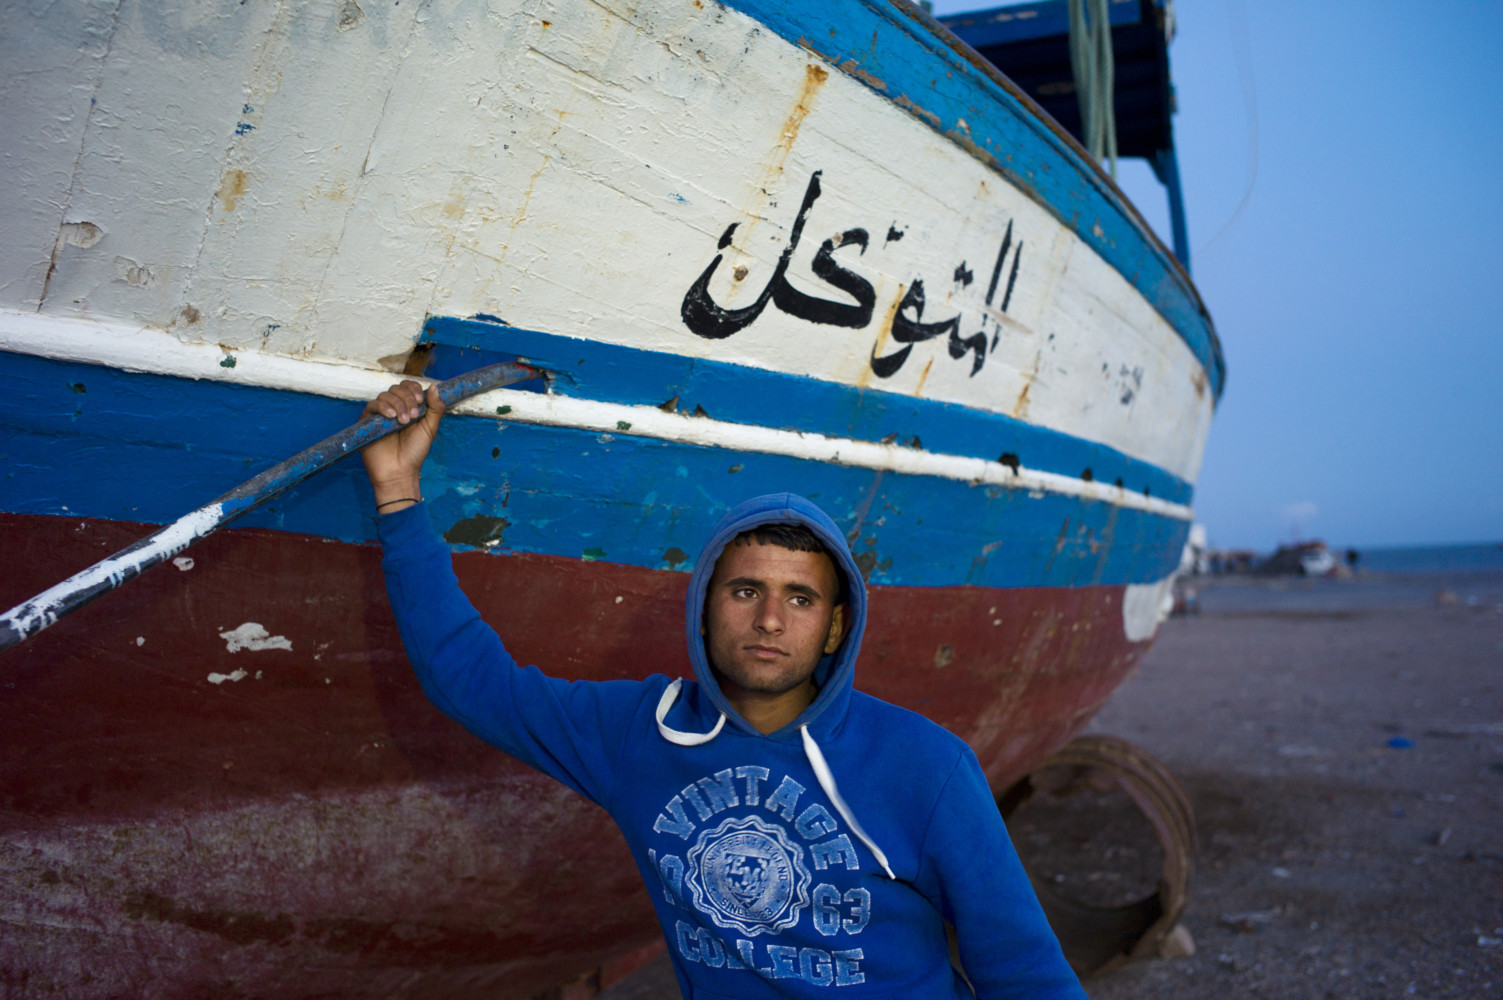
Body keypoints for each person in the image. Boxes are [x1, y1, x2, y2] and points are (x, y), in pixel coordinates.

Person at [362, 380, 1086, 999]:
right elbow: (471, 681)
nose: (770, 619)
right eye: (745, 591)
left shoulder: (924, 766)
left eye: (800, 599)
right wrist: (397, 494)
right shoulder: (641, 734)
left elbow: (1024, 970)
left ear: (835, 627)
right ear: (704, 610)